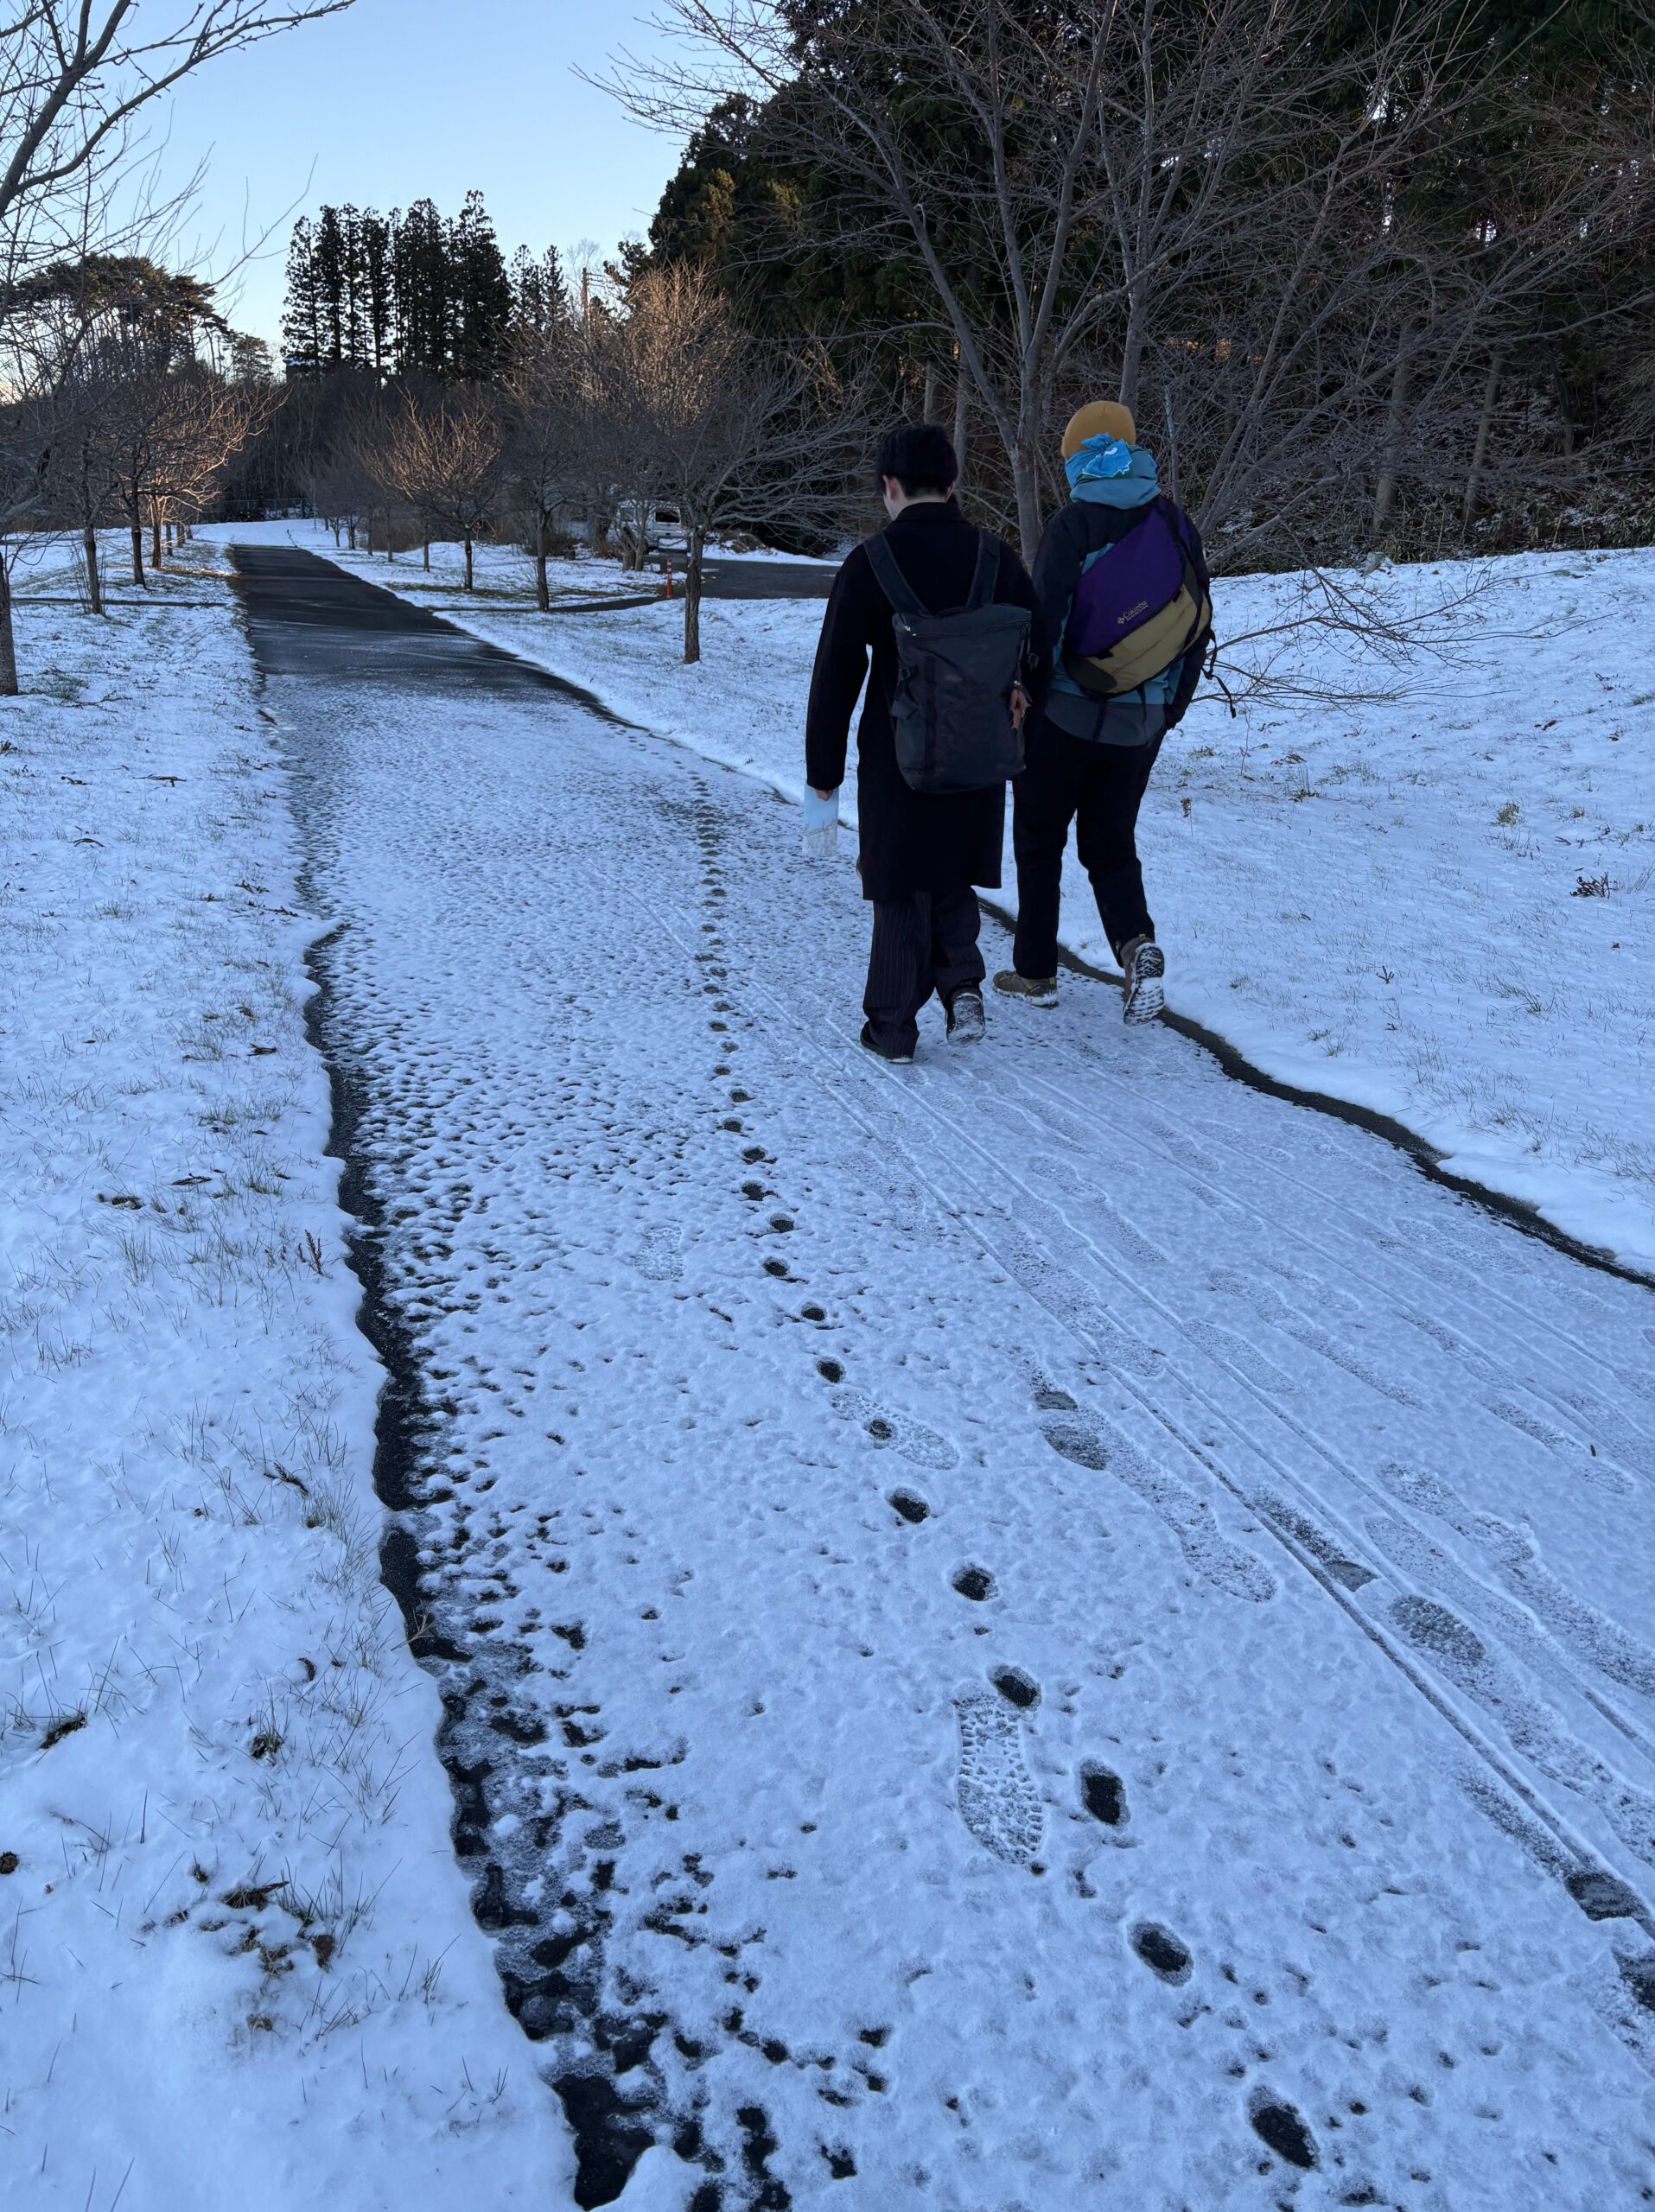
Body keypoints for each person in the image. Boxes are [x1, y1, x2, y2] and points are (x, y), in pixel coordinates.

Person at [806, 423, 1049, 1063]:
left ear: (889, 486)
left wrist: (822, 771)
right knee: (951, 870)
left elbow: (836, 674)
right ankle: (962, 984)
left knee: (897, 882)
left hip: (898, 755)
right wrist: (1022, 702)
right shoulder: (996, 558)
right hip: (978, 747)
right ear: (952, 482)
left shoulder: (870, 563)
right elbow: (1041, 650)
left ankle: (892, 1029)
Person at [993, 401, 1210, 1023]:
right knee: (1111, 845)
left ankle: (1035, 972)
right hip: (1139, 723)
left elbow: (1044, 629)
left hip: (1063, 716)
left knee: (1039, 840)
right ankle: (1136, 947)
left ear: (1076, 460)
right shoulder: (1176, 524)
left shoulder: (1073, 526)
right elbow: (1197, 625)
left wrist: (1028, 701)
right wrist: (1168, 709)